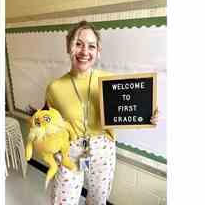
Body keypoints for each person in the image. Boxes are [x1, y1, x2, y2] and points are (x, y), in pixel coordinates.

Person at [43, 20, 158, 205]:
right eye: (78, 44)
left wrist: (148, 114)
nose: (84, 51)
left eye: (91, 46)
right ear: (68, 45)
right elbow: (48, 121)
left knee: (98, 199)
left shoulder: (110, 81)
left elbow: (129, 109)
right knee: (62, 200)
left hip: (103, 147)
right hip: (70, 149)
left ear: (98, 51)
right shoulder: (54, 87)